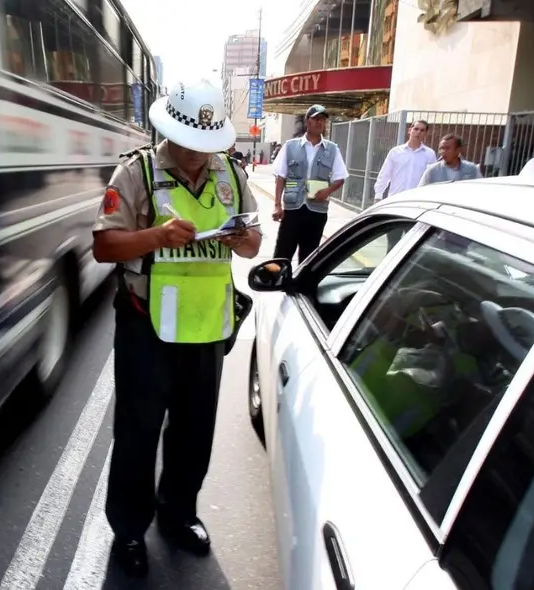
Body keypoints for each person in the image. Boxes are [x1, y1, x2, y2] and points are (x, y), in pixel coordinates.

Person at [91, 78, 262, 577]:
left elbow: (253, 244)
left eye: (206, 145)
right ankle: (129, 528)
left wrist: (238, 239)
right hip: (147, 327)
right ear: (171, 131)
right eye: (190, 144)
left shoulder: (231, 173)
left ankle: (179, 513)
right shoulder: (137, 171)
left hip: (208, 326)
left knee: (194, 432)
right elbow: (104, 246)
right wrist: (156, 237)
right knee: (138, 432)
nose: (197, 155)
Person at [272, 104, 348, 264]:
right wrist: (277, 205)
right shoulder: (290, 146)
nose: (320, 122)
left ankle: (302, 280)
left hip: (317, 211)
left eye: (323, 120)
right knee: (283, 253)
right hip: (293, 209)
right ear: (307, 121)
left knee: (309, 256)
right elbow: (281, 176)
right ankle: (278, 278)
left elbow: (340, 177)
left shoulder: (332, 149)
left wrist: (327, 191)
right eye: (316, 119)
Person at [372, 119, 436, 202]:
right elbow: (385, 174)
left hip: (417, 200)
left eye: (422, 130)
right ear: (410, 130)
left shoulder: (430, 154)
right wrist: (378, 195)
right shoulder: (395, 152)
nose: (418, 132)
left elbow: (432, 178)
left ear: (425, 133)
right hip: (395, 198)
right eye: (416, 129)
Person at [418, 133, 483, 186]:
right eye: (441, 148)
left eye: (447, 148)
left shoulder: (473, 169)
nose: (443, 151)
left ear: (458, 150)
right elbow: (420, 191)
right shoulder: (432, 170)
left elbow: (481, 190)